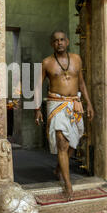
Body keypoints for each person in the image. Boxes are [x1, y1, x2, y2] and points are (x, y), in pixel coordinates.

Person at [35, 30, 93, 200]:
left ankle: (59, 168)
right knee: (62, 142)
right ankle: (68, 185)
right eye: (55, 41)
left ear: (67, 42)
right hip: (56, 104)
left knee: (73, 142)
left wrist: (88, 103)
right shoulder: (46, 63)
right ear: (51, 44)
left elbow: (81, 83)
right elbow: (38, 86)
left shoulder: (76, 59)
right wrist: (37, 109)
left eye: (62, 40)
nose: (59, 43)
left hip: (75, 103)